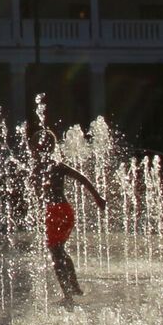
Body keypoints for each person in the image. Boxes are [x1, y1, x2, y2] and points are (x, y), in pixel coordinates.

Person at [26, 110, 106, 307]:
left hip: (56, 211)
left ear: (38, 148)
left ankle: (67, 295)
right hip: (64, 210)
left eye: (34, 148)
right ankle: (75, 287)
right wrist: (98, 199)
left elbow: (79, 179)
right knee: (60, 250)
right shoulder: (55, 165)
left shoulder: (43, 168)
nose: (33, 151)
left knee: (55, 252)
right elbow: (82, 179)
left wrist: (98, 199)